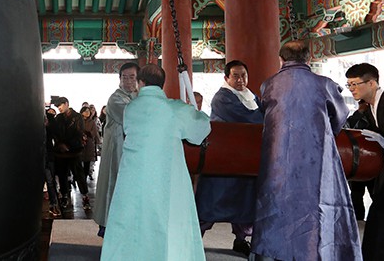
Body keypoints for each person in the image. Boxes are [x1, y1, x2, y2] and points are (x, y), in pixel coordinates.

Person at [250, 41, 361, 260]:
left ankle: (273, 254)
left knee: (276, 204)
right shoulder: (325, 84)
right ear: (307, 59)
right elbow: (340, 115)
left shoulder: (269, 85)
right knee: (319, 204)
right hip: (316, 157)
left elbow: (264, 115)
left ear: (281, 59)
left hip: (278, 159)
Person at [101, 64, 211, 260]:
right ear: (162, 84)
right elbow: (199, 131)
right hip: (166, 176)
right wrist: (196, 111)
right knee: (167, 221)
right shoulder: (174, 108)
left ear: (140, 82)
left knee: (133, 220)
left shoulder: (131, 108)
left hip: (133, 176)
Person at [195, 60, 263, 256]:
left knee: (244, 202)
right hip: (222, 160)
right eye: (235, 75)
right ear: (226, 78)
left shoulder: (252, 97)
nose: (240, 80)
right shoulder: (222, 98)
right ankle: (194, 239)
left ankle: (241, 240)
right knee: (212, 202)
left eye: (243, 75)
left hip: (243, 160)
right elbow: (250, 119)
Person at [345, 63, 384, 261]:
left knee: (382, 219)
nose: (352, 88)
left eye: (355, 84)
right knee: (381, 220)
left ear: (371, 83)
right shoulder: (371, 109)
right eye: (349, 85)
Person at [93, 62, 139, 237]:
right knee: (114, 183)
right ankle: (108, 224)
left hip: (131, 150)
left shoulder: (137, 96)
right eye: (124, 77)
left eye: (132, 77)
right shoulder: (115, 98)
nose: (128, 81)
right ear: (119, 79)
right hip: (117, 149)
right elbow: (132, 117)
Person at [50, 97, 90, 211]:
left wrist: (68, 145)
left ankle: (85, 196)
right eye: (57, 107)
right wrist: (60, 144)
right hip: (61, 152)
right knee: (62, 176)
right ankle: (65, 196)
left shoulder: (77, 117)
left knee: (79, 175)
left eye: (60, 105)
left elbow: (79, 133)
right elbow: (55, 133)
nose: (59, 108)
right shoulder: (58, 118)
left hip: (74, 151)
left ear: (66, 104)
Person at [80, 106, 100, 185]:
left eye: (88, 111)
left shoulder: (91, 122)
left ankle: (85, 178)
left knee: (87, 162)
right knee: (79, 161)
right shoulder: (79, 121)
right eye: (85, 111)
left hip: (89, 144)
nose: (87, 113)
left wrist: (87, 134)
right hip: (80, 143)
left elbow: (94, 133)